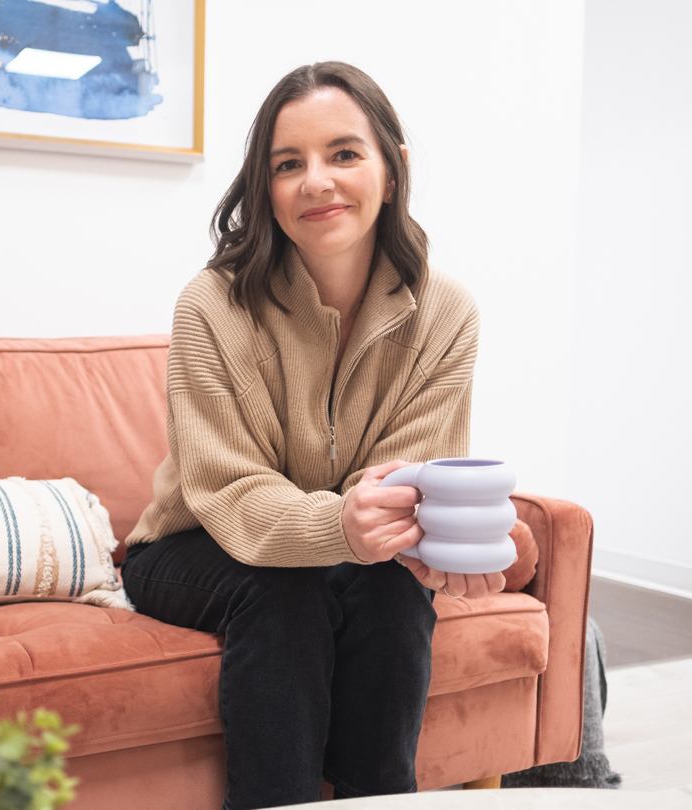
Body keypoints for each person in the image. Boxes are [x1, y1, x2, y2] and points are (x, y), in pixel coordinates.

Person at [120, 61, 508, 809]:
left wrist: (442, 540)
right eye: (288, 164)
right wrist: (342, 523)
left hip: (340, 549)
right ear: (265, 190)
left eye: (344, 154)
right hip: (189, 546)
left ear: (391, 172)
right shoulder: (211, 306)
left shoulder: (447, 312)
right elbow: (228, 491)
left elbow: (414, 475)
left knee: (395, 593)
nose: (317, 181)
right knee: (285, 591)